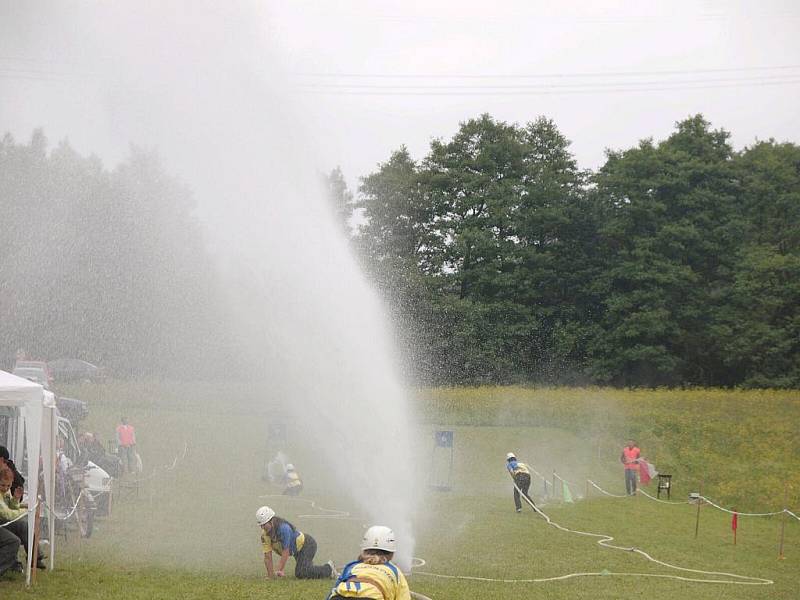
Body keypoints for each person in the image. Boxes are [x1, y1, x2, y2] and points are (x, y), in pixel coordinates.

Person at [325, 525, 410, 600]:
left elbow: (332, 592)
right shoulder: (396, 572)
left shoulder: (352, 566)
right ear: (391, 554)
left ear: (364, 550)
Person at [256, 505, 335, 580]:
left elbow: (285, 551)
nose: (263, 528)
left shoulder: (284, 529)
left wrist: (280, 570)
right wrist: (271, 576)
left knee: (301, 572)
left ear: (271, 521)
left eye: (264, 524)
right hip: (297, 551)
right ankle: (315, 568)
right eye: (261, 525)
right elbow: (267, 556)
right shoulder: (264, 535)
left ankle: (329, 568)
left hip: (307, 544)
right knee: (304, 569)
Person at [0, 465, 44, 570]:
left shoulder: (6, 491)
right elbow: (8, 514)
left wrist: (15, 499)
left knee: (24, 526)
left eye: (8, 486)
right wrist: (27, 511)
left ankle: (35, 558)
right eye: (2, 485)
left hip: (2, 523)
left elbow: (11, 507)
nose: (5, 488)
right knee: (14, 541)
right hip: (3, 521)